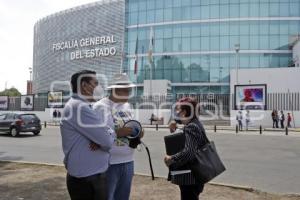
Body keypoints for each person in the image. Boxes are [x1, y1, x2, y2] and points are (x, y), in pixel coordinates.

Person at [60, 70, 116, 200]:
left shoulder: (80, 105)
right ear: (84, 86)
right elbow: (107, 141)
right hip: (88, 181)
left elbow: (107, 132)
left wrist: (105, 135)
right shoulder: (79, 107)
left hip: (89, 178)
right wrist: (107, 136)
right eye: (96, 83)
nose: (99, 87)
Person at [93, 73, 143, 200]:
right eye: (126, 91)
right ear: (115, 90)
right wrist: (121, 132)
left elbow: (133, 126)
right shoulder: (101, 106)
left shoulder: (128, 106)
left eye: (129, 90)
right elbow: (101, 134)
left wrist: (139, 132)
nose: (129, 93)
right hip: (109, 163)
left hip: (128, 160)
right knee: (107, 197)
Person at [164, 97, 206, 200]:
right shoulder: (194, 122)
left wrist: (171, 159)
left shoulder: (192, 126)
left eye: (178, 110)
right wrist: (175, 121)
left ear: (184, 112)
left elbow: (189, 152)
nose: (176, 112)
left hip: (191, 176)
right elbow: (181, 119)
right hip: (196, 175)